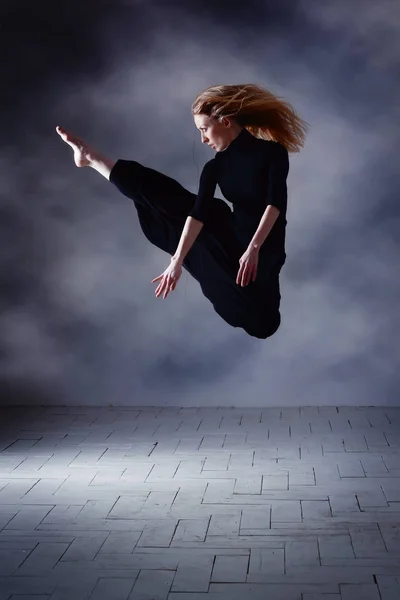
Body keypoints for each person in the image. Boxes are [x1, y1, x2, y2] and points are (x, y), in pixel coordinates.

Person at [56, 83, 308, 339]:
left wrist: (253, 249)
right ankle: (94, 159)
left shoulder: (272, 152)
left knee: (263, 324)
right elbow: (197, 215)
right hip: (229, 237)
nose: (203, 139)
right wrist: (176, 261)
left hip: (263, 250)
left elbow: (275, 203)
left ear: (225, 121)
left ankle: (249, 290)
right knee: (171, 202)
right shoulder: (215, 167)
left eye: (204, 129)